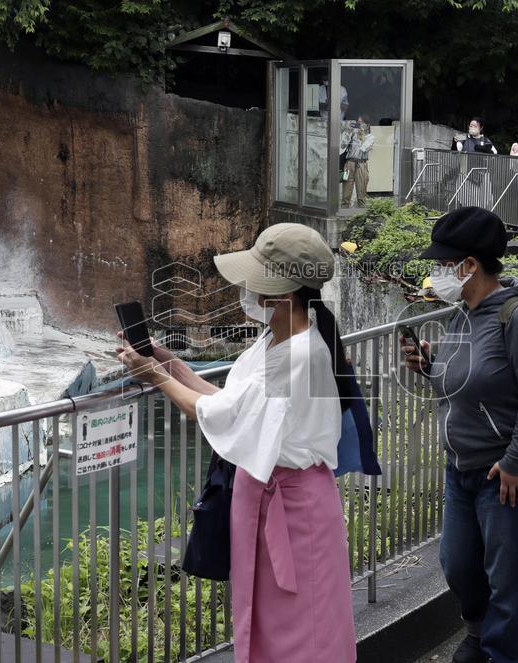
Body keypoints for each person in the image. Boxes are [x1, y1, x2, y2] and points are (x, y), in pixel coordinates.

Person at [114, 223, 356, 663]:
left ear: (281, 294)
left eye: (254, 281)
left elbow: (213, 413)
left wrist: (153, 376)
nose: (247, 291)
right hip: (274, 503)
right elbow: (231, 404)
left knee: (304, 632)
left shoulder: (297, 355)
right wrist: (169, 364)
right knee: (269, 621)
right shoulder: (279, 338)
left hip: (292, 510)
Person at [401, 207, 518, 663]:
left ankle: (504, 653)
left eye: (444, 264)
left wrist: (516, 462)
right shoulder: (460, 316)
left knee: (510, 580)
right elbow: (467, 382)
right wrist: (429, 367)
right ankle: (479, 631)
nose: (437, 273)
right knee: (458, 564)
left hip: (505, 474)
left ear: (470, 265)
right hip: (461, 468)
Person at [341, 115, 375, 208]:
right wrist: (347, 132)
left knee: (361, 192)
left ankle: (361, 212)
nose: (360, 124)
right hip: (349, 163)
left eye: (362, 122)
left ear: (368, 125)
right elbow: (343, 145)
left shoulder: (371, 137)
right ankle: (344, 209)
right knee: (346, 191)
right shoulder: (352, 133)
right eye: (358, 122)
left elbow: (364, 148)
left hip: (361, 164)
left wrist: (361, 135)